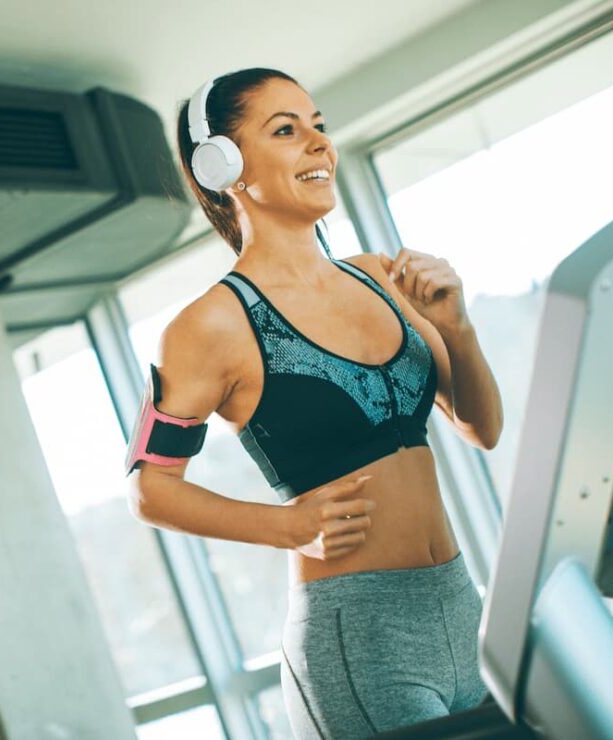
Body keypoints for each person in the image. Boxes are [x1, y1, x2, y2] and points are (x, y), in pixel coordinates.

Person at [125, 68, 505, 738]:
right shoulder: (207, 327)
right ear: (224, 166)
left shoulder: (381, 277)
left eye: (318, 126)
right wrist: (286, 526)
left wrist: (457, 328)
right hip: (357, 636)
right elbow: (152, 490)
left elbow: (482, 427)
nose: (318, 145)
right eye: (285, 130)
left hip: (460, 604)